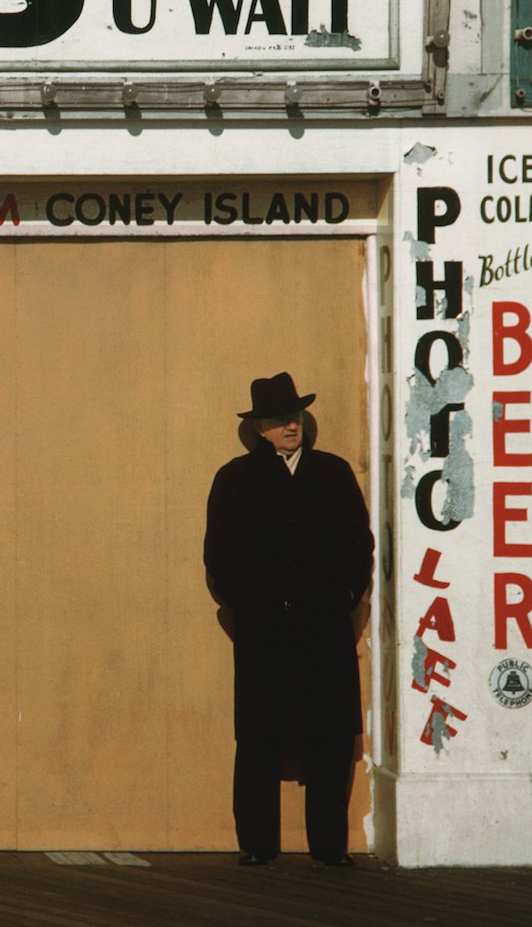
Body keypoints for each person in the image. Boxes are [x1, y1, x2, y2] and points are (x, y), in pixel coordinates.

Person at [203, 372, 373, 868]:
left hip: (323, 626)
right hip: (263, 630)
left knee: (331, 735)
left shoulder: (334, 472)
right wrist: (248, 605)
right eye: (277, 420)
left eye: (293, 416)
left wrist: (343, 596)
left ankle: (329, 846)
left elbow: (359, 545)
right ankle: (257, 844)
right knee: (257, 735)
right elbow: (218, 555)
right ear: (259, 429)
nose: (289, 426)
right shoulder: (233, 477)